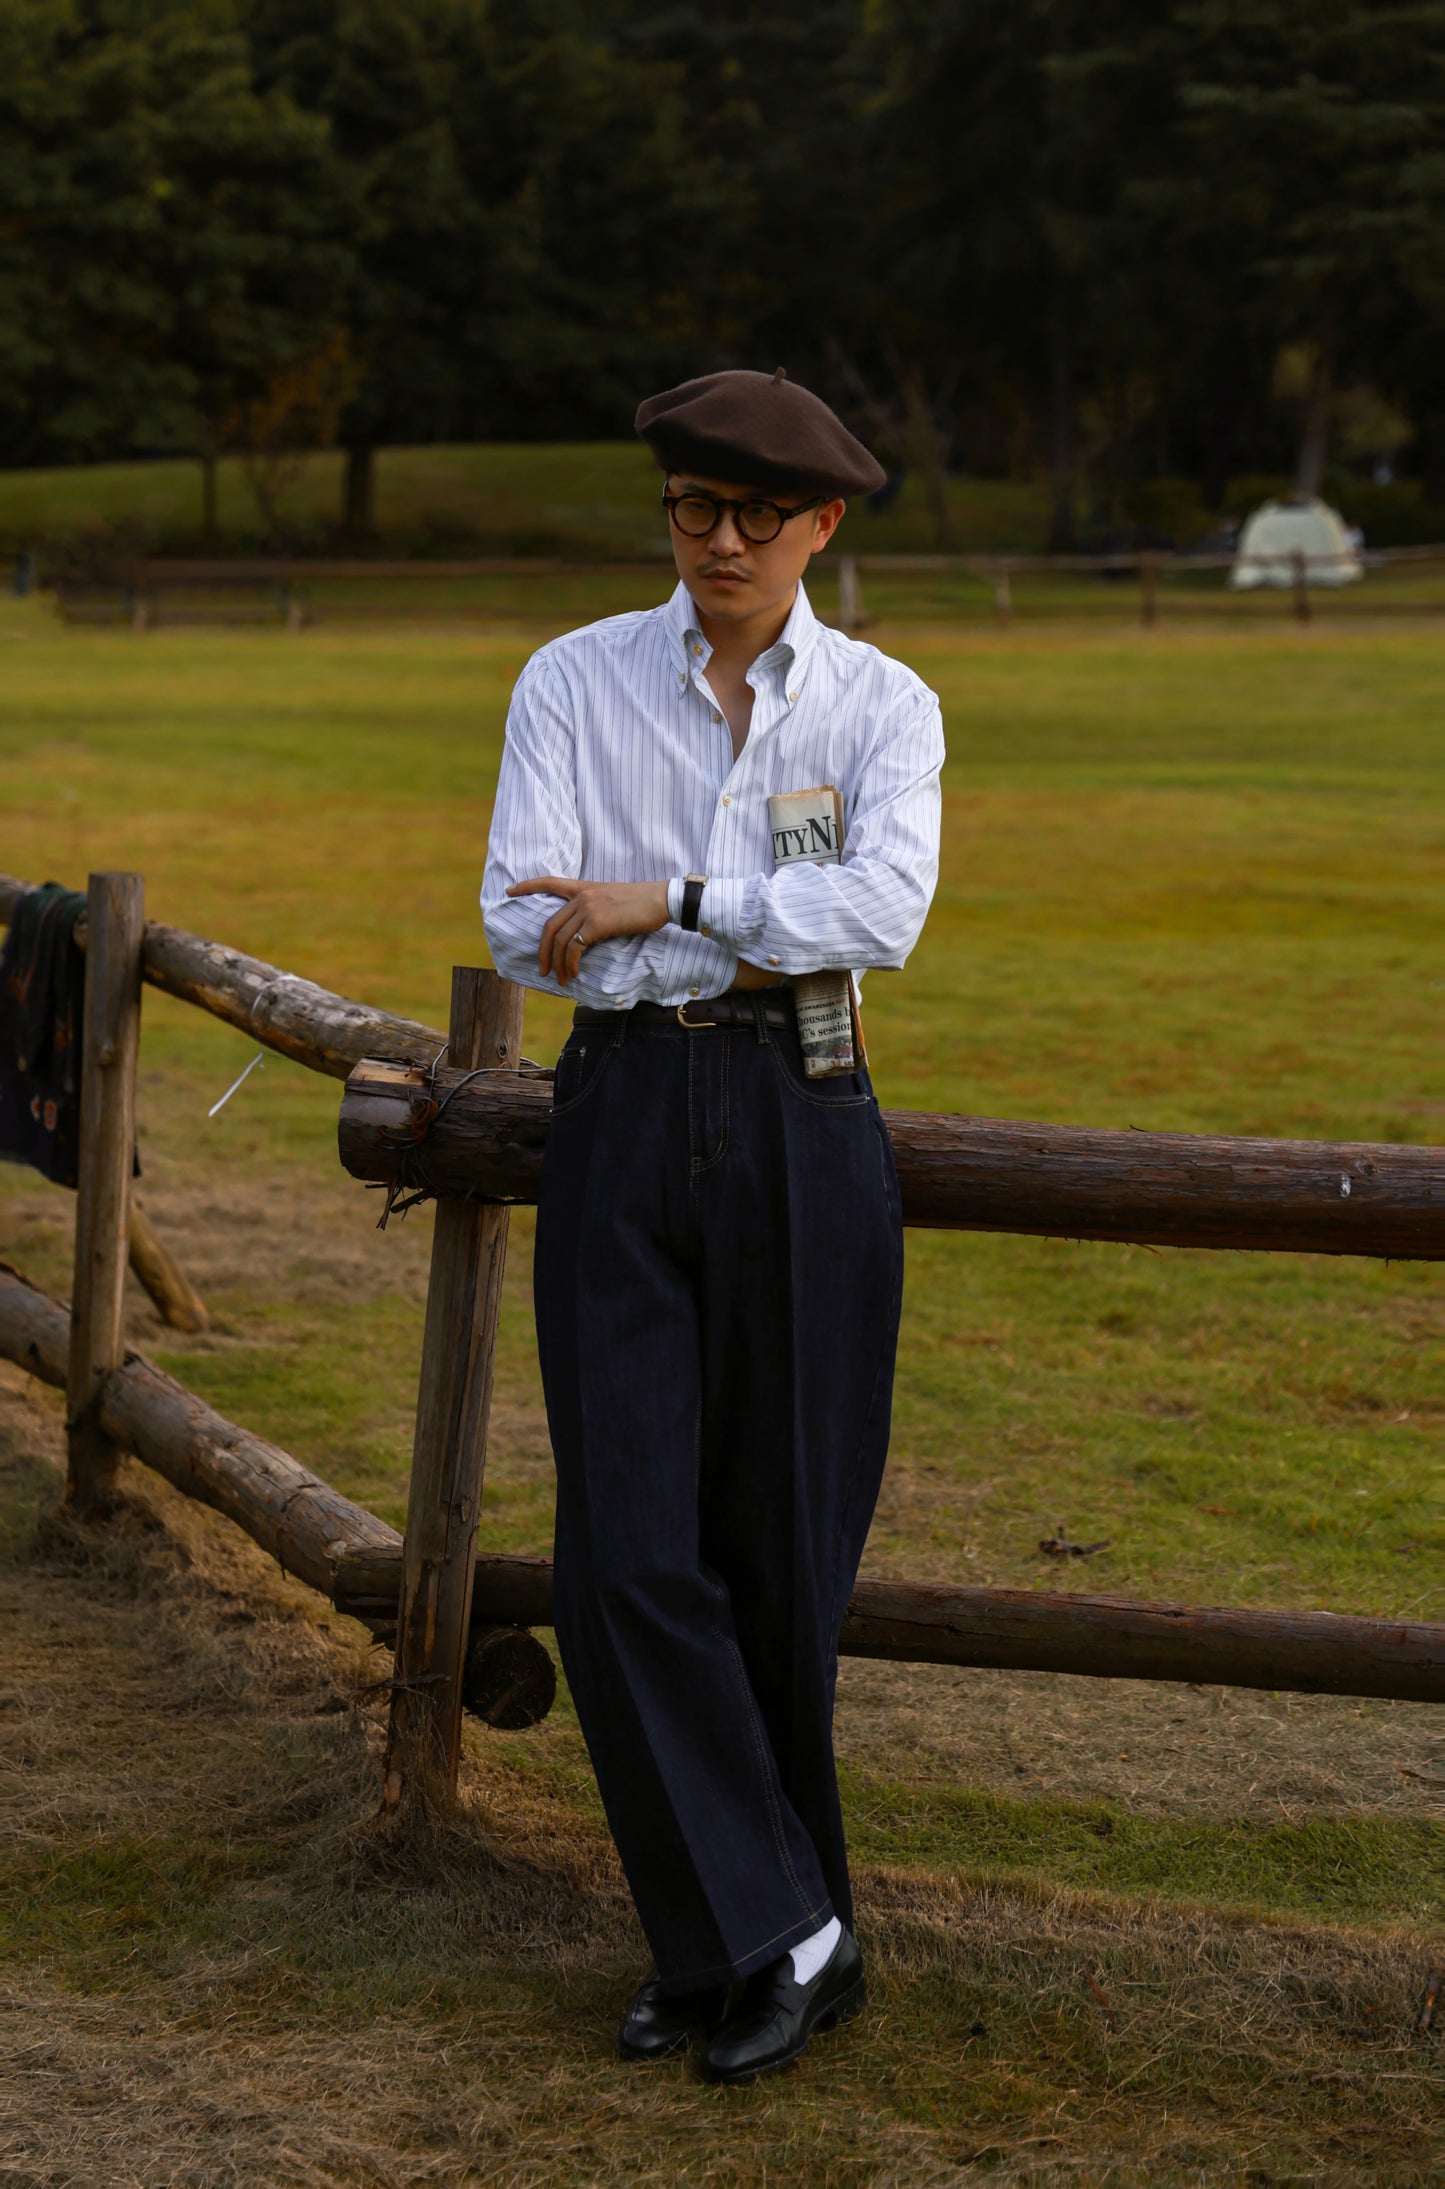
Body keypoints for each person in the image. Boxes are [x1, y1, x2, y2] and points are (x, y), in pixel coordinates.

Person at [481, 366, 944, 2084]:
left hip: (805, 1118)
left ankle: (722, 1948)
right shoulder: (570, 680)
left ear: (820, 525)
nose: (722, 542)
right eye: (694, 508)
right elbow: (529, 921)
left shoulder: (886, 707)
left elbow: (879, 915)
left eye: (760, 516)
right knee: (620, 1560)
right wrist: (738, 928)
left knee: (780, 1546)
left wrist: (662, 902)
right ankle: (786, 1928)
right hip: (614, 1118)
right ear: (666, 508)